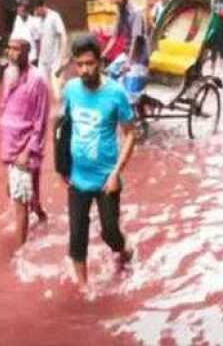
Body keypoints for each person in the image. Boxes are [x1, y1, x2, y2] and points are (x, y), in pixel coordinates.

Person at [60, 34, 136, 285]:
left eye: (89, 63)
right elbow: (65, 127)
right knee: (77, 237)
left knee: (110, 233)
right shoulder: (70, 90)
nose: (84, 70)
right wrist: (62, 167)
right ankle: (83, 289)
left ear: (100, 62)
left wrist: (116, 174)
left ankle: (124, 250)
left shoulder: (116, 94)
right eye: (79, 64)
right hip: (77, 178)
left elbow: (130, 135)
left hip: (106, 179)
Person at [0, 27, 50, 250]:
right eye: (9, 48)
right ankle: (42, 216)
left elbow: (41, 120)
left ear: (27, 51)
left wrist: (27, 151)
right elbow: (6, 107)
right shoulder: (8, 74)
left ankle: (19, 255)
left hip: (24, 150)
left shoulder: (38, 79)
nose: (11, 53)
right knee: (22, 193)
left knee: (19, 204)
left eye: (16, 49)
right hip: (9, 146)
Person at [101, 0, 148, 72]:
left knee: (130, 80)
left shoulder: (136, 13)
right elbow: (114, 37)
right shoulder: (121, 12)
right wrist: (104, 53)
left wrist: (128, 62)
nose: (116, 2)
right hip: (127, 54)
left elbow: (135, 40)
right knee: (109, 71)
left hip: (138, 57)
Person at [34, 0, 68, 100]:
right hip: (43, 58)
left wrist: (63, 56)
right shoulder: (38, 19)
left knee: (56, 86)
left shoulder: (54, 17)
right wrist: (37, 55)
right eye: (35, 11)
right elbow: (39, 39)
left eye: (37, 10)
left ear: (43, 6)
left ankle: (62, 107)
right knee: (40, 83)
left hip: (55, 58)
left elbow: (63, 36)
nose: (36, 13)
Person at [12, 0, 41, 65]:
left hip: (30, 56)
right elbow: (13, 37)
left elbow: (38, 41)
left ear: (27, 11)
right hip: (18, 54)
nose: (18, 12)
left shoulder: (34, 22)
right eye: (18, 10)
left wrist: (37, 58)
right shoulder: (17, 19)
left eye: (21, 10)